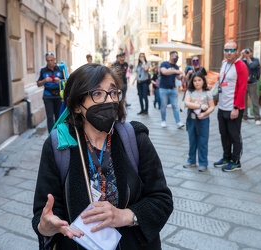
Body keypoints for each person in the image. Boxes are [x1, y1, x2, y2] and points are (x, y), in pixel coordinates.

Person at [32, 64, 173, 249]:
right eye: (97, 94)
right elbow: (44, 214)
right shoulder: (59, 146)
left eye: (113, 93)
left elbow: (162, 200)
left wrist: (124, 216)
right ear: (76, 105)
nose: (109, 100)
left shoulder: (136, 139)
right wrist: (47, 227)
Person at [213, 41, 248, 172]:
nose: (229, 53)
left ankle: (235, 161)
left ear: (237, 51)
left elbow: (243, 88)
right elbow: (221, 83)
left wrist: (236, 107)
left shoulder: (241, 66)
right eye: (226, 50)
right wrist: (216, 99)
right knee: (224, 134)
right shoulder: (223, 63)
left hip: (233, 107)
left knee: (234, 135)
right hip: (222, 106)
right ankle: (226, 157)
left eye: (232, 50)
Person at [183, 72, 215, 172]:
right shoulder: (189, 92)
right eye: (195, 80)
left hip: (203, 121)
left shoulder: (207, 93)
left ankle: (203, 163)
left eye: (199, 80)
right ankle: (191, 160)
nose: (197, 83)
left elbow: (212, 107)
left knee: (203, 142)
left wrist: (204, 114)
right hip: (192, 120)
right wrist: (200, 106)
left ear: (203, 81)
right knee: (192, 141)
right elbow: (187, 103)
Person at [37, 52, 64, 132]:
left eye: (51, 60)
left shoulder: (60, 69)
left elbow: (66, 81)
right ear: (46, 60)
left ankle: (58, 134)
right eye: (48, 60)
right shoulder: (43, 70)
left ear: (54, 59)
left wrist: (60, 81)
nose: (50, 62)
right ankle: (51, 135)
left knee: (58, 117)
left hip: (58, 96)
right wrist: (45, 80)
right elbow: (38, 84)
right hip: (48, 96)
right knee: (49, 118)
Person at [159, 51, 185, 128]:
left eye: (177, 56)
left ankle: (178, 122)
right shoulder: (164, 64)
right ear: (170, 56)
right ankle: (163, 121)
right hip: (163, 88)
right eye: (174, 56)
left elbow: (177, 77)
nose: (176, 58)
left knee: (175, 106)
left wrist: (181, 76)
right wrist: (174, 71)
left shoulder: (176, 66)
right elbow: (164, 72)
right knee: (163, 106)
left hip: (173, 89)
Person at [239, 48, 261, 125]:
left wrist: (248, 57)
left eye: (248, 52)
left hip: (252, 83)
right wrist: (241, 56)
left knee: (254, 101)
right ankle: (244, 116)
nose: (246, 53)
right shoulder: (243, 61)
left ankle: (257, 118)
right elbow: (236, 64)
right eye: (245, 52)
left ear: (251, 53)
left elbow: (252, 66)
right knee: (244, 101)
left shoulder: (256, 60)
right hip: (244, 83)